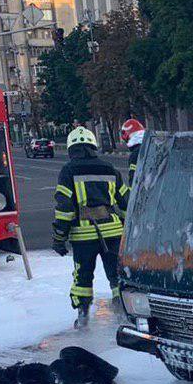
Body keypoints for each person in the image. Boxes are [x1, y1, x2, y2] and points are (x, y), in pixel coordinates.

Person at [52, 126, 129, 329]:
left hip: (83, 236)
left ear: (71, 149)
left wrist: (59, 237)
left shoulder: (68, 171)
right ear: (93, 145)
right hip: (113, 232)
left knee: (83, 277)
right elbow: (124, 204)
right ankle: (124, 315)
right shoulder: (110, 169)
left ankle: (83, 317)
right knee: (117, 274)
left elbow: (65, 208)